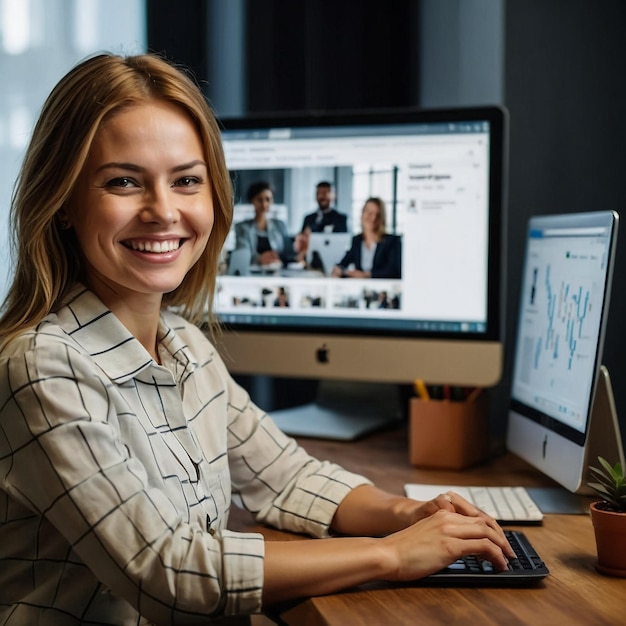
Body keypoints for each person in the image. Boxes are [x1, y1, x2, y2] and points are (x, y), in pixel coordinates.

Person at [0, 53, 514, 625]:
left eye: (187, 180)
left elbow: (288, 477)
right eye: (124, 181)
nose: (164, 211)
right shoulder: (43, 366)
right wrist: (392, 555)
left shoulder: (185, 348)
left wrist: (408, 512)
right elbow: (168, 571)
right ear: (64, 202)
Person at [332, 197, 402, 279]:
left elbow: (394, 271)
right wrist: (338, 269)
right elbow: (344, 262)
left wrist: (367, 275)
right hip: (360, 288)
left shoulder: (392, 241)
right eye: (369, 213)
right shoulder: (357, 240)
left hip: (382, 288)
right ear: (362, 214)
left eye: (377, 214)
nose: (373, 218)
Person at [233, 181, 292, 268]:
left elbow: (289, 252)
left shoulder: (280, 225)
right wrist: (259, 259)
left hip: (278, 272)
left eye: (268, 199)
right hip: (252, 274)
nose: (264, 204)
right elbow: (242, 254)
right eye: (260, 200)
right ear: (252, 201)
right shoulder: (242, 227)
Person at [293, 181, 348, 261]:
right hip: (309, 261)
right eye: (319, 193)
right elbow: (301, 242)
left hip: (333, 260)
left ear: (334, 195)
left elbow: (343, 243)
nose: (322, 196)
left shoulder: (341, 219)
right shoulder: (308, 218)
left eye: (326, 193)